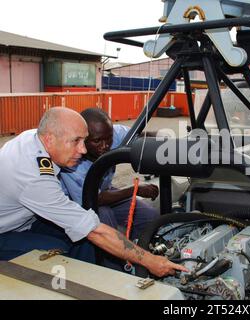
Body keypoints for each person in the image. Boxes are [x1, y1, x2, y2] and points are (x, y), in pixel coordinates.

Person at [0, 107, 187, 278]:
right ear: (49, 139)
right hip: (6, 232)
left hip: (27, 219)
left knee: (83, 242)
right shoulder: (34, 176)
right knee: (60, 255)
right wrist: (149, 260)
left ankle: (89, 281)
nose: (82, 150)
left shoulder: (36, 138)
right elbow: (94, 231)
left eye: (84, 140)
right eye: (76, 141)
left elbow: (137, 137)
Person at [60, 108, 159, 242]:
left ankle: (142, 251)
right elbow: (96, 199)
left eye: (109, 139)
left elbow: (141, 137)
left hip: (107, 192)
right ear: (82, 138)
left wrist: (163, 136)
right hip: (81, 204)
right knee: (105, 219)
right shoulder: (72, 161)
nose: (105, 146)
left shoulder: (110, 133)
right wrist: (135, 190)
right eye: (97, 141)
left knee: (150, 216)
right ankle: (110, 261)